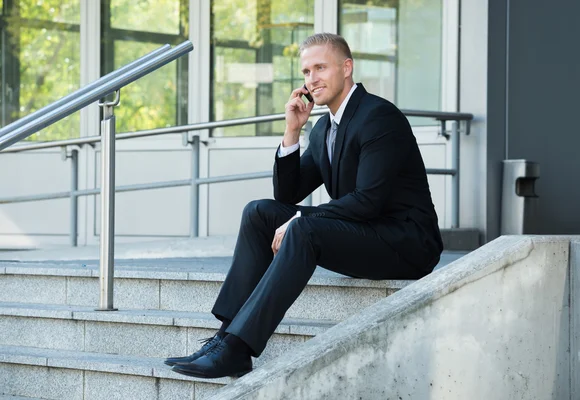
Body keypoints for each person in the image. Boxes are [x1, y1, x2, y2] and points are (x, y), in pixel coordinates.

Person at [165, 33, 443, 379]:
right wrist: (292, 132)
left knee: (304, 226)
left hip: (406, 243)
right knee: (259, 212)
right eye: (306, 71)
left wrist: (299, 219)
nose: (312, 79)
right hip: (365, 233)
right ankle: (225, 336)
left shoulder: (378, 117)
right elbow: (287, 195)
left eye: (320, 68)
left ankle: (238, 349)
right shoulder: (324, 126)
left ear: (346, 68)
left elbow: (368, 201)